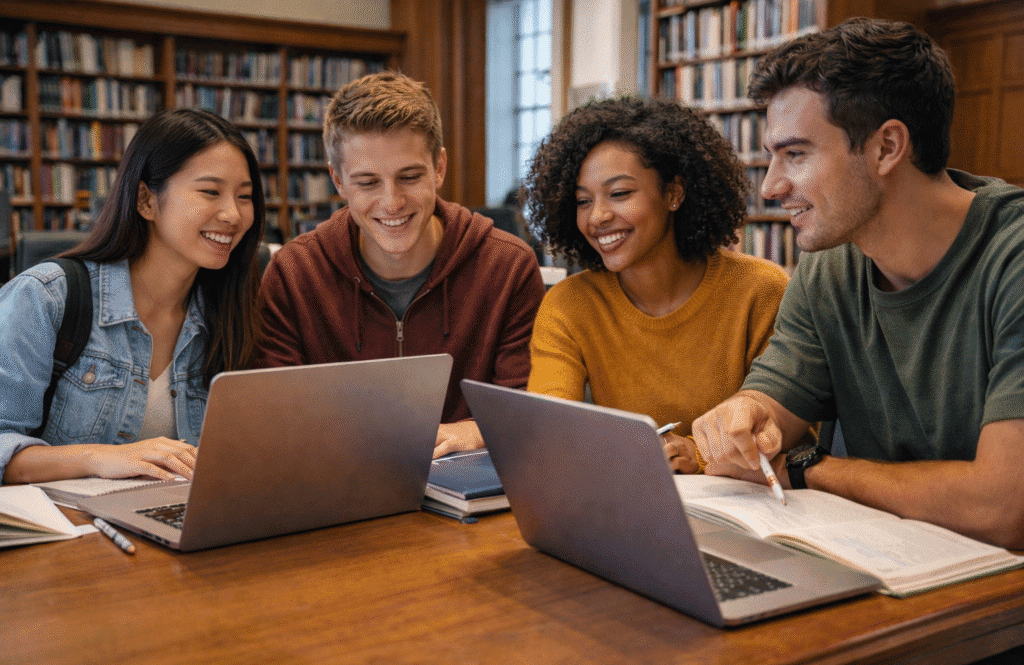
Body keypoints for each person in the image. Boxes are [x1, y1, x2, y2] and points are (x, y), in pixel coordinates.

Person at [691, 18, 1024, 552]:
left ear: (887, 146)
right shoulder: (830, 267)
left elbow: (1004, 507)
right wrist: (741, 419)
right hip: (890, 568)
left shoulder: (1013, 259)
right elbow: (769, 407)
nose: (772, 186)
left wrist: (809, 468)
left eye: (796, 154)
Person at [256, 71, 546, 458]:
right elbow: (277, 419)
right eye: (367, 183)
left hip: (468, 489)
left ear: (439, 168)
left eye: (409, 177)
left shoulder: (506, 266)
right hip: (338, 485)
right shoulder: (295, 273)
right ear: (338, 181)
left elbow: (527, 407)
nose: (392, 203)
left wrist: (476, 430)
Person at [524, 95, 789, 473]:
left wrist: (696, 454)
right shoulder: (569, 305)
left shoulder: (759, 290)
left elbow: (789, 433)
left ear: (673, 193)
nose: (597, 217)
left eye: (619, 194)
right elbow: (551, 426)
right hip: (622, 505)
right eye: (583, 201)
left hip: (744, 507)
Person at [0, 108, 265, 484]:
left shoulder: (229, 310)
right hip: (71, 534)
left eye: (245, 196)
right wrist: (100, 458)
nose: (233, 215)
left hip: (179, 524)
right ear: (146, 201)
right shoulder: (46, 298)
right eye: (210, 192)